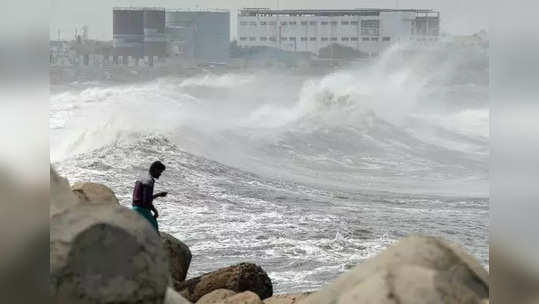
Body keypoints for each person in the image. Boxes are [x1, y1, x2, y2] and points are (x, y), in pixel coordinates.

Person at [132, 161, 168, 232]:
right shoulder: (149, 181)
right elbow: (146, 202)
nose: (160, 174)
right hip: (142, 210)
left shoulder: (141, 178)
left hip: (134, 208)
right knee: (154, 230)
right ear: (155, 169)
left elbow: (144, 197)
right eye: (160, 172)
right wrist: (155, 211)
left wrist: (158, 195)